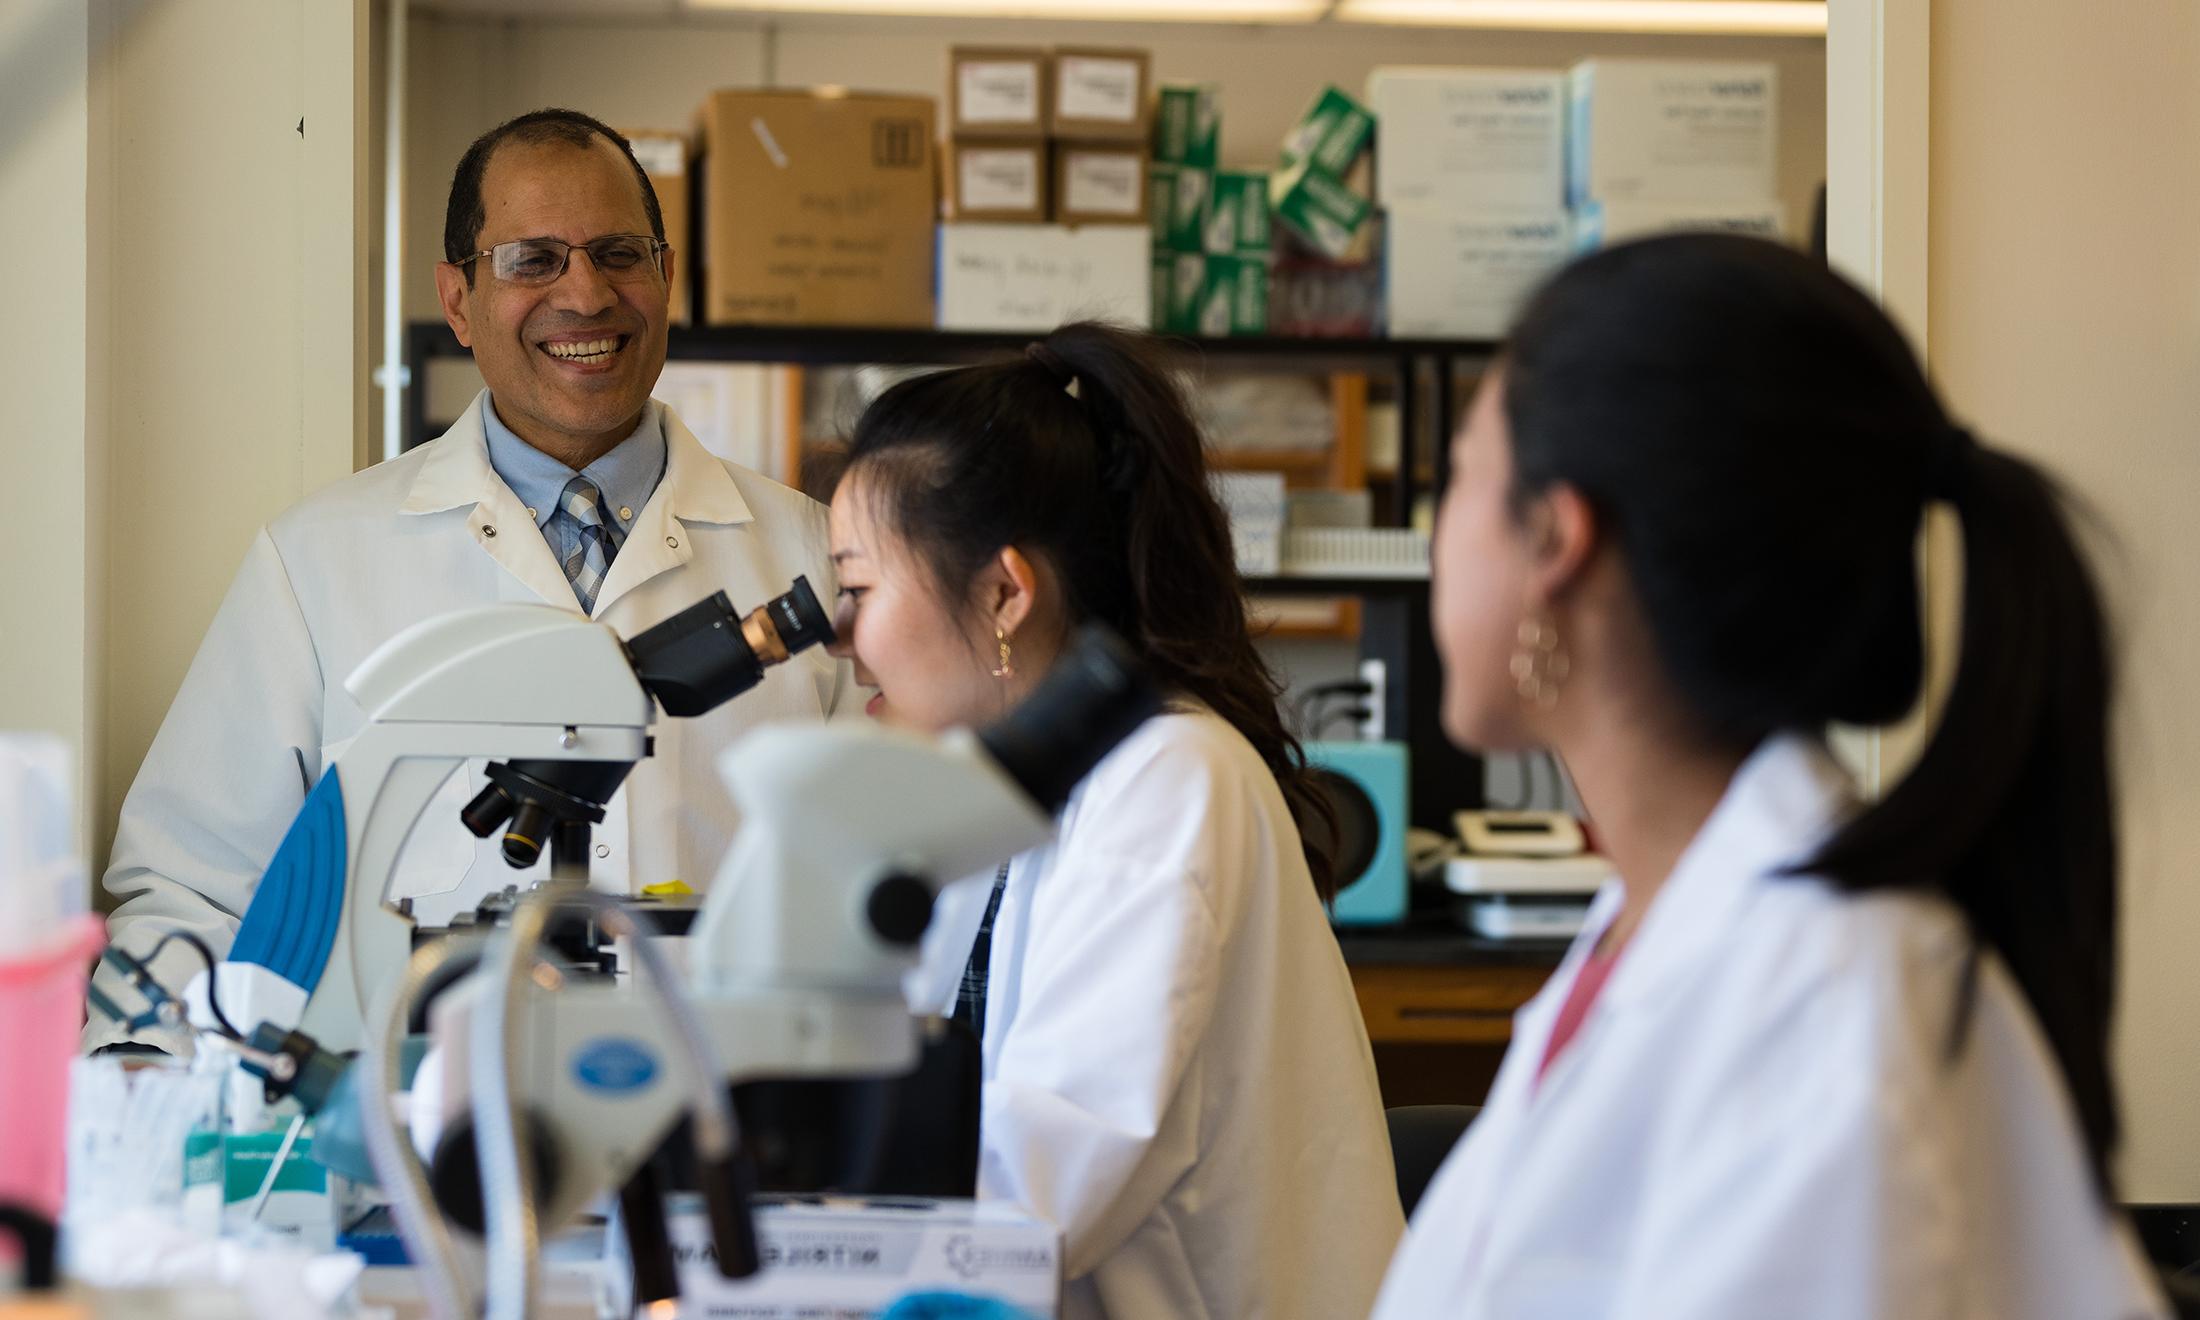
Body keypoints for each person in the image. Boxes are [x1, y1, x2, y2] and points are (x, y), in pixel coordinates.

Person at [1372, 234, 2167, 1318]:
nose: (1434, 544)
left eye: (1459, 478)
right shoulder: (1671, 924)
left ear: (1556, 536)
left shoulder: (1825, 1003)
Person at [89, 109, 844, 1052]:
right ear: (458, 300)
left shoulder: (812, 555)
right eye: (533, 259)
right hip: (401, 1145)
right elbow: (194, 887)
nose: (586, 292)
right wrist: (140, 1078)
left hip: (725, 1132)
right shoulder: (318, 561)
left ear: (666, 280)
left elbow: (898, 872)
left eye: (620, 253)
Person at [825, 323, 1403, 1319]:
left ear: (1004, 591)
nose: (839, 640)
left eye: (858, 589)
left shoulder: (1167, 777)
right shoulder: (1006, 789)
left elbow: (1035, 1196)